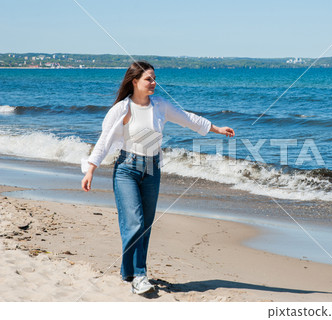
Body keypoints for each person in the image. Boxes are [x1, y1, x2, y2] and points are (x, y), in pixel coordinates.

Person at [81, 61, 235, 294]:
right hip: (126, 169)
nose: (154, 83)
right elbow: (104, 141)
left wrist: (216, 128)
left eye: (154, 79)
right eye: (149, 79)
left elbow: (187, 118)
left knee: (145, 225)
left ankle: (128, 272)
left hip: (152, 170)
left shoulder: (160, 105)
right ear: (135, 82)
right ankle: (140, 275)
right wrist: (91, 168)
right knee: (134, 222)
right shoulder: (122, 109)